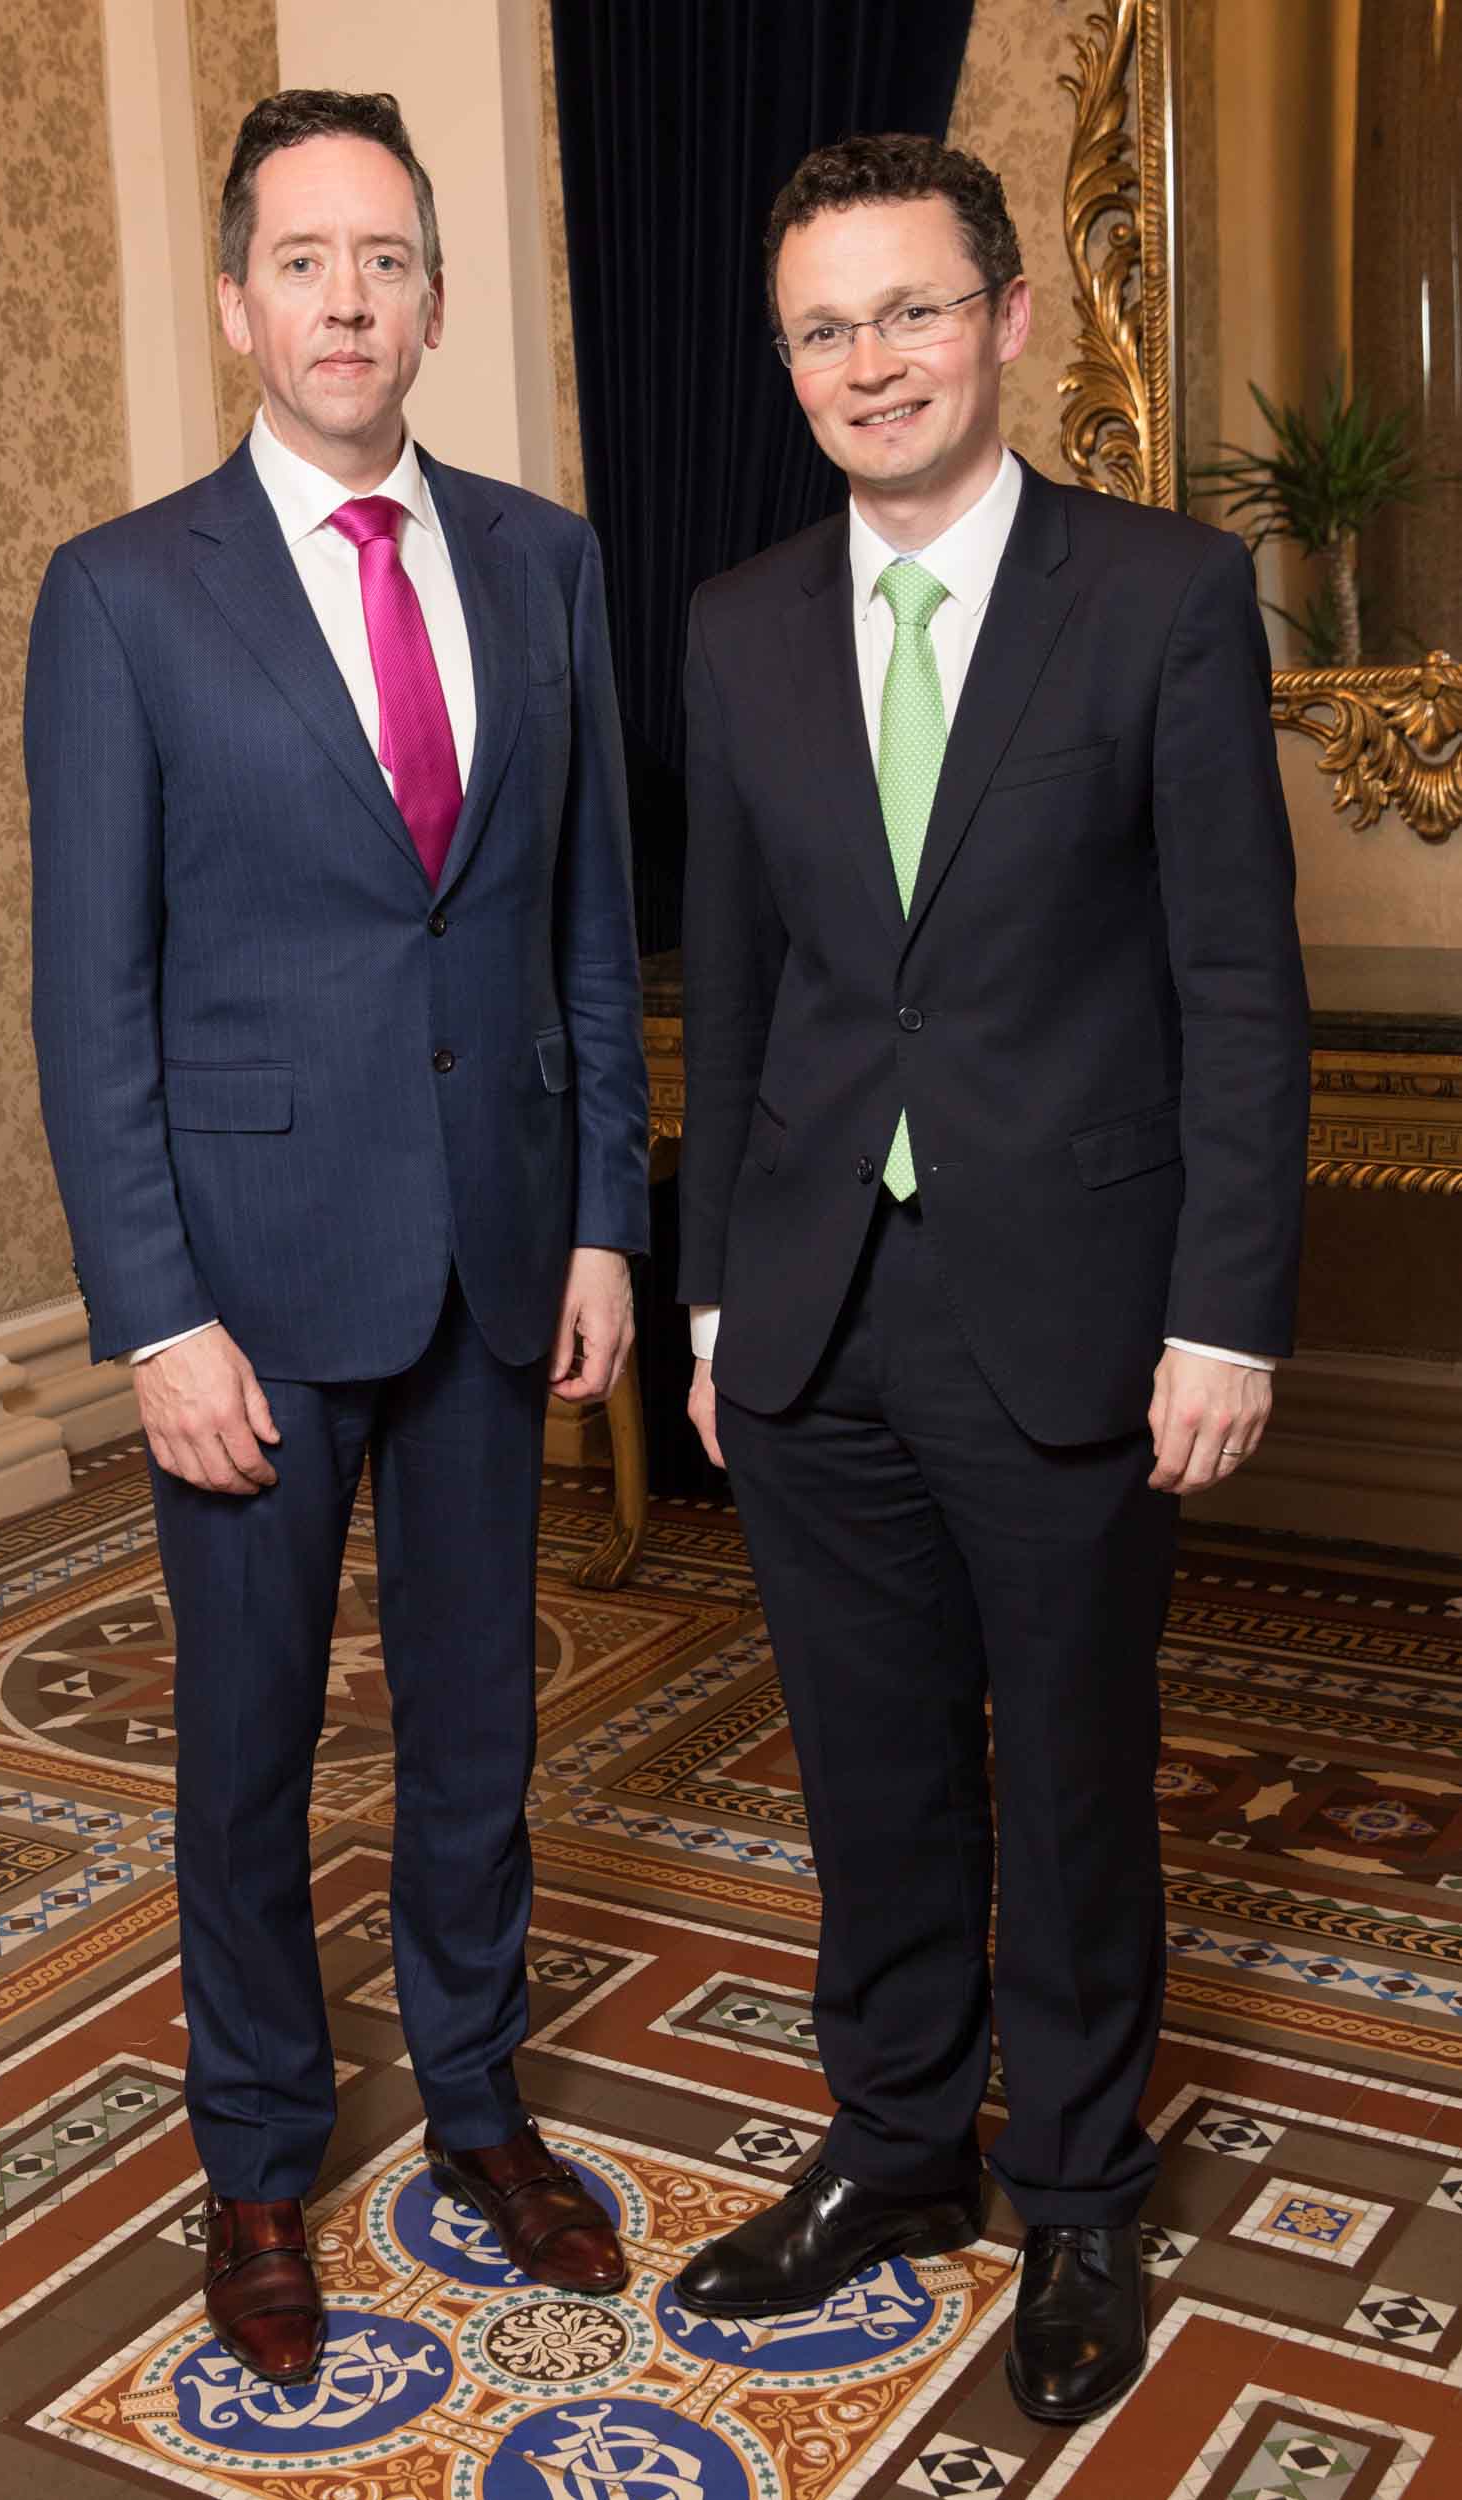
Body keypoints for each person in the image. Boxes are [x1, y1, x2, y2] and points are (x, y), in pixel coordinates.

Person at [673, 133, 1308, 2425]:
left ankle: (1079, 2190)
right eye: (826, 327)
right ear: (792, 363)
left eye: (913, 310)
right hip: (813, 1306)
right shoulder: (737, 623)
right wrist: (715, 1305)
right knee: (869, 1770)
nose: (874, 361)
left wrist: (1225, 1309)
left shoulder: (1164, 596)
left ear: (1009, 318)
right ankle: (893, 2141)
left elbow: (1237, 979)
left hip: (1075, 1305)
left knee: (1073, 1775)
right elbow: (736, 990)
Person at [27, 89, 647, 2387]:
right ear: (237, 303)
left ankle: (478, 2099)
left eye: (385, 258)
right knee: (250, 1749)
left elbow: (585, 925)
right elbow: (87, 992)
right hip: (251, 1286)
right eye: (304, 260)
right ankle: (261, 2157)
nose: (349, 299)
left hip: (497, 1252)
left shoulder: (545, 562)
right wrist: (152, 1310)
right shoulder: (122, 593)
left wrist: (607, 1218)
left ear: (437, 300)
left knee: (480, 1723)